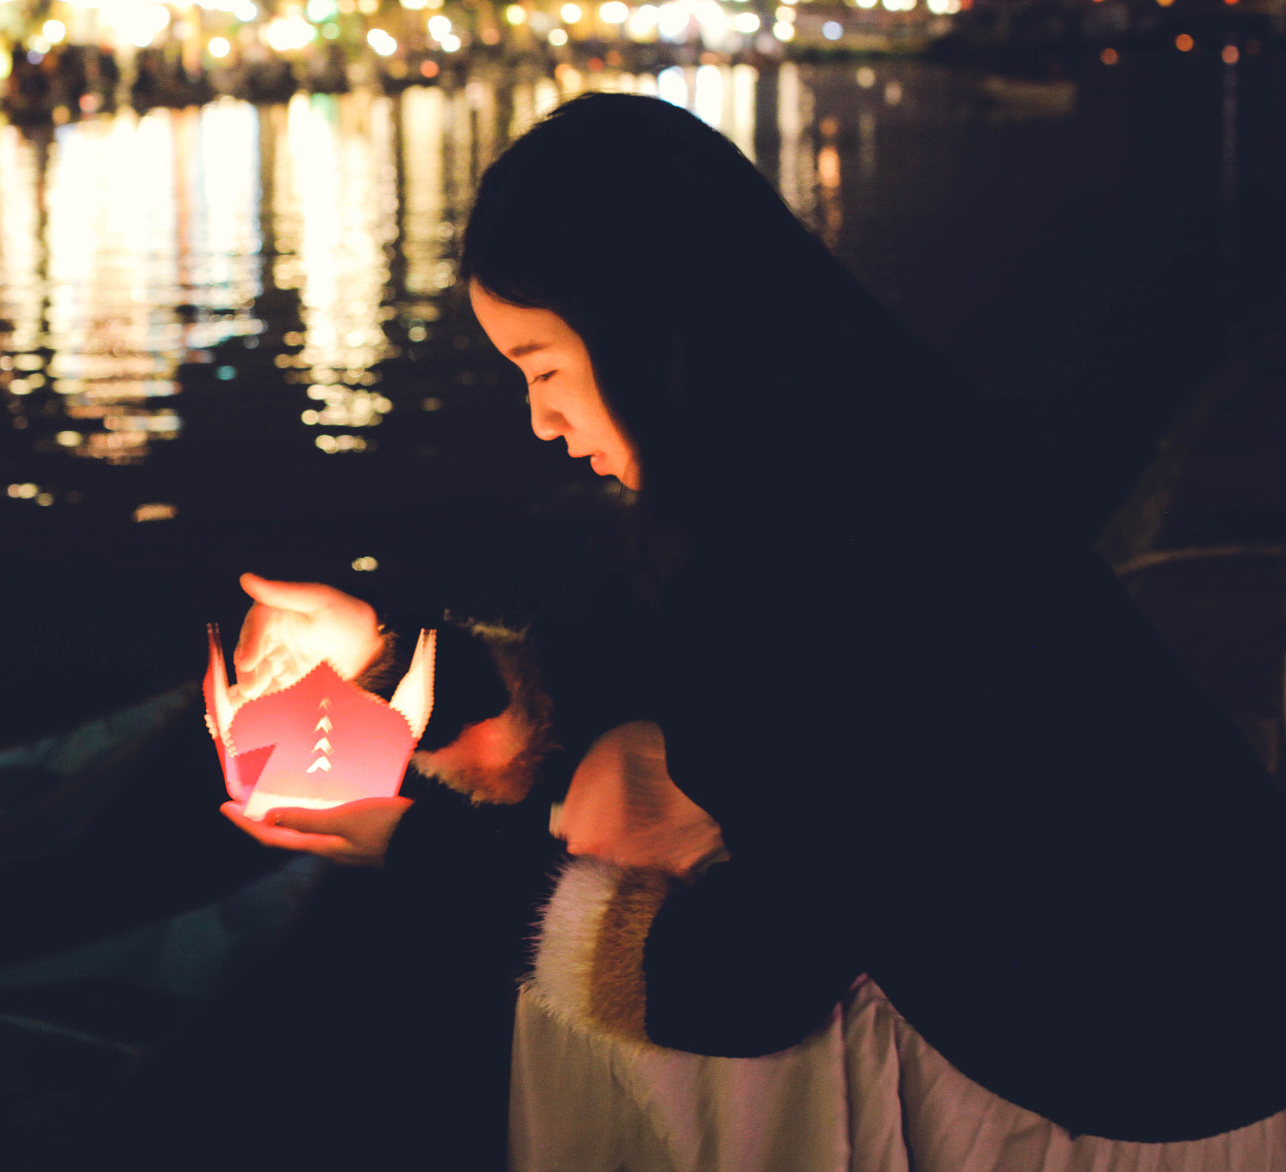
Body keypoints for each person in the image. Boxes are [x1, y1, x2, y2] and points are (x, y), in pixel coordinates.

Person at [223, 92, 1286, 1168]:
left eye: (541, 367)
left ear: (639, 327)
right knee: (634, 793)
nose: (540, 420)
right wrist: (388, 657)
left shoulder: (788, 567)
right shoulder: (865, 431)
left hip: (1151, 1076)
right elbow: (692, 690)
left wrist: (416, 847)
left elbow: (743, 984)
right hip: (1226, 965)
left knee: (583, 999)